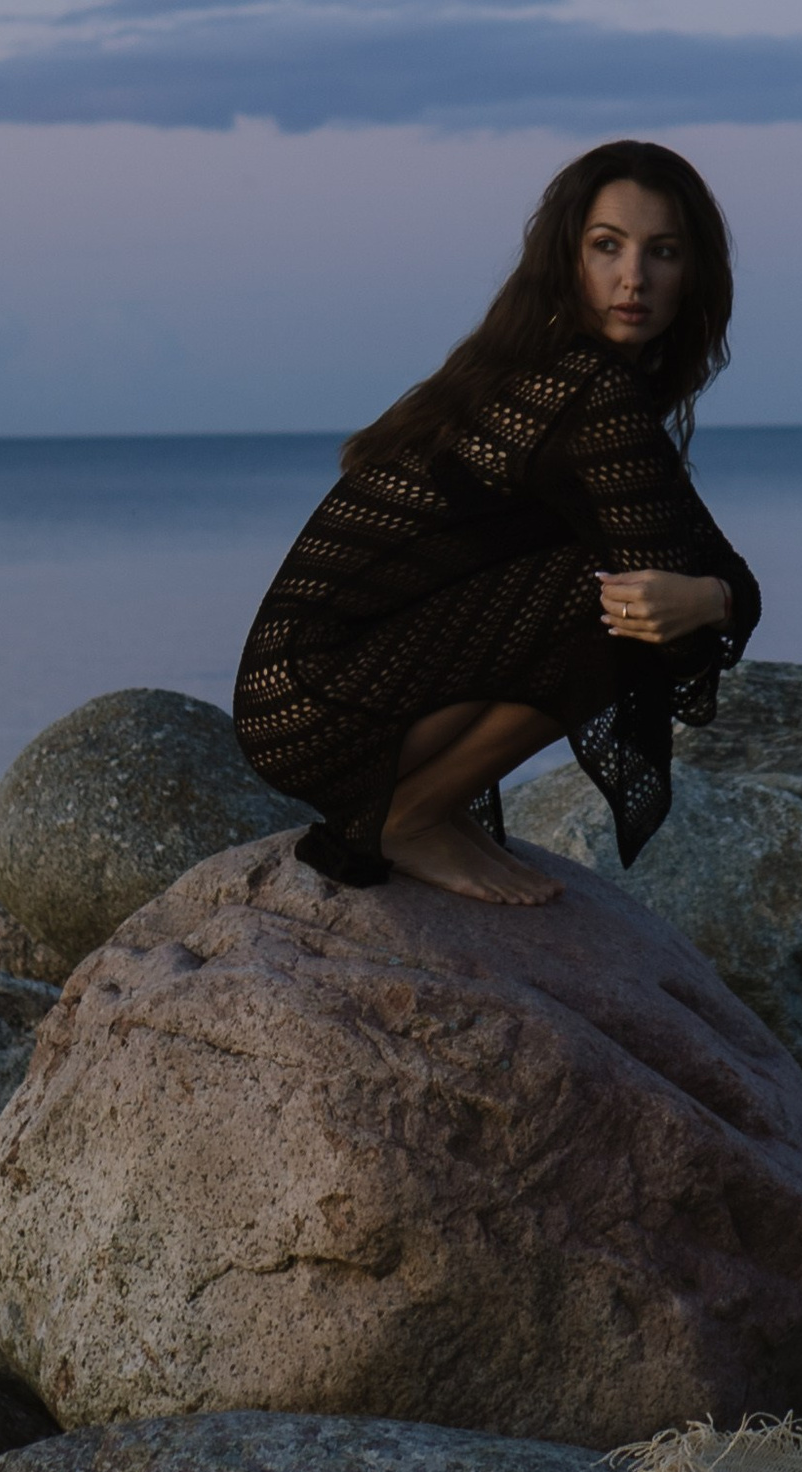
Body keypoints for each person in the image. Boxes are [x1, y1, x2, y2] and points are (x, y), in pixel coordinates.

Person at [234, 141, 760, 903]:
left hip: (287, 699)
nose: (634, 277)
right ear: (565, 258)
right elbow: (673, 581)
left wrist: (708, 592)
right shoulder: (587, 392)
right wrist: (714, 600)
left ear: (694, 274)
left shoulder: (523, 366)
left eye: (663, 251)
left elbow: (695, 559)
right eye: (606, 247)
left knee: (628, 591)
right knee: (618, 602)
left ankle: (426, 808)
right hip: (324, 704)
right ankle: (411, 815)